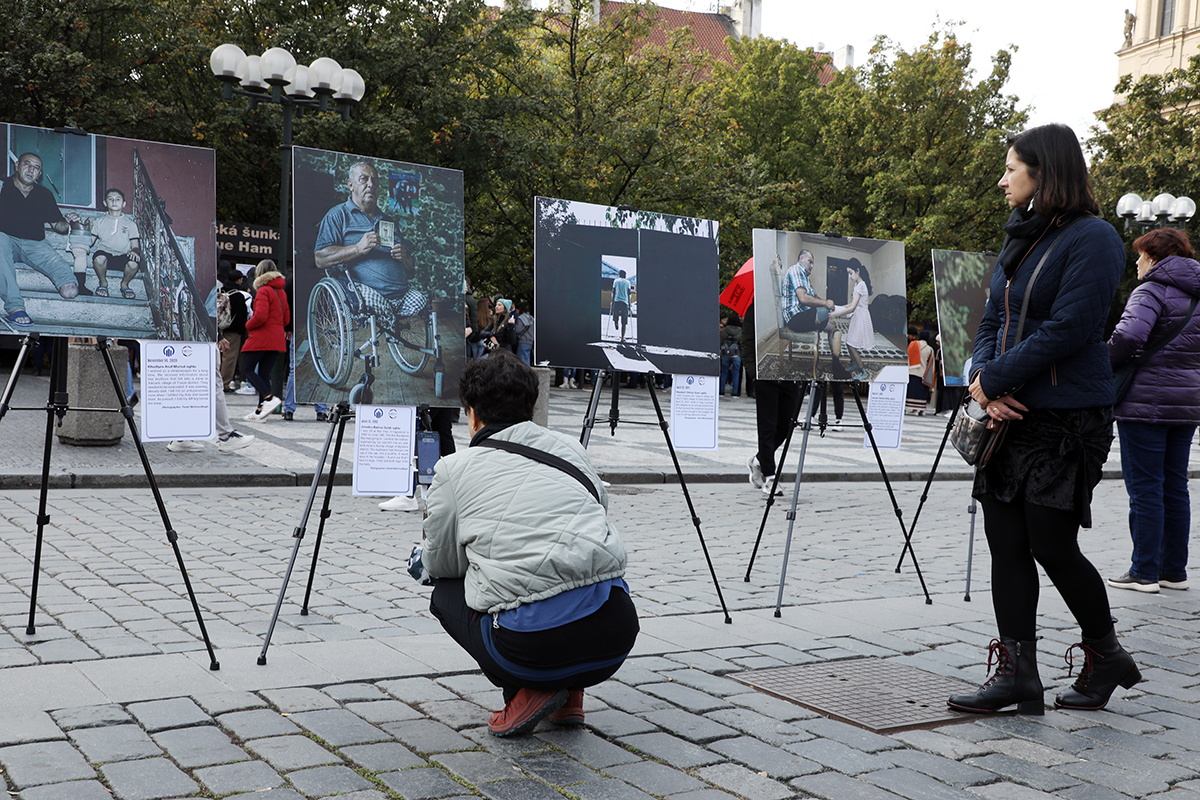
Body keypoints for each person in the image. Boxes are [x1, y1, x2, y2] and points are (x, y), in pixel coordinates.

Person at [948, 123, 1139, 716]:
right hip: (1010, 416)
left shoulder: (1096, 239)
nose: (1001, 179)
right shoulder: (1022, 238)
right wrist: (983, 383)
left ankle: (1105, 652)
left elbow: (1071, 329)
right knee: (1004, 542)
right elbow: (987, 325)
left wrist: (996, 380)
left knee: (1052, 544)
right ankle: (1017, 672)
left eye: (1011, 168)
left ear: (1044, 172)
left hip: (1064, 418)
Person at [421, 353, 638, 736]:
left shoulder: (453, 469)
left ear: (471, 414)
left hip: (530, 649)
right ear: (531, 405)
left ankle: (526, 690)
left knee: (445, 592)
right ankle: (572, 696)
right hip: (614, 634)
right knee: (579, 578)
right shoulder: (571, 448)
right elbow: (599, 513)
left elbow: (442, 564)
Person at [1106, 227, 1200, 593]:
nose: (1137, 262)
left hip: (1144, 402)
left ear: (1155, 258)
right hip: (1187, 403)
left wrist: (1104, 359)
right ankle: (1173, 571)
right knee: (1176, 486)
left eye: (1141, 255)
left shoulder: (1150, 290)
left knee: (1145, 487)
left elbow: (1128, 337)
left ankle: (1144, 570)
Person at [314, 161, 425, 321]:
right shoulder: (338, 215)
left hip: (402, 295)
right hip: (367, 294)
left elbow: (411, 265)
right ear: (350, 185)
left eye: (375, 181)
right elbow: (320, 259)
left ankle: (392, 320)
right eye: (364, 179)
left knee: (421, 301)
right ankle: (388, 320)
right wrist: (358, 248)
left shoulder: (388, 220)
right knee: (378, 307)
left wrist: (405, 257)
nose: (371, 184)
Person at [0, 152, 81, 327]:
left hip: (35, 243)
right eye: (27, 164)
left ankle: (67, 282)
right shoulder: (2, 186)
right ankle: (15, 308)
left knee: (70, 291)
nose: (31, 170)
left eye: (36, 168)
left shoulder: (44, 194)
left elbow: (58, 227)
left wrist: (68, 221)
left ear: (40, 174)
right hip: (5, 240)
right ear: (17, 165)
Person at [167, 337, 256, 454]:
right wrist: (216, 336)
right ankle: (226, 436)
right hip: (202, 340)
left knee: (192, 385)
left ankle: (181, 436)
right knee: (212, 385)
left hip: (189, 339)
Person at [240, 259, 290, 421]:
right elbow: (286, 319)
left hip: (262, 337)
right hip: (276, 339)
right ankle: (261, 411)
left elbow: (260, 316)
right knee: (263, 373)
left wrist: (248, 324)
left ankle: (269, 398)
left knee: (247, 369)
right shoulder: (281, 291)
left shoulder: (263, 291)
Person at [86, 188, 142, 300]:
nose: (114, 202)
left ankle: (125, 284)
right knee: (99, 258)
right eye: (110, 199)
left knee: (134, 263)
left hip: (123, 256)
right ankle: (103, 283)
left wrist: (134, 252)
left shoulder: (130, 224)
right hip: (105, 255)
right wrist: (87, 228)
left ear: (124, 203)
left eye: (118, 199)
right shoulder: (99, 221)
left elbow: (135, 246)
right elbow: (89, 242)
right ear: (105, 203)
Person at [829, 260, 874, 382]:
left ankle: (862, 370)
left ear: (857, 271)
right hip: (857, 315)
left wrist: (837, 314)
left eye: (850, 273)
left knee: (853, 346)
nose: (849, 276)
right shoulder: (857, 285)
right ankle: (854, 364)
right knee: (849, 343)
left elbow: (853, 307)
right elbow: (852, 304)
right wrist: (840, 307)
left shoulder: (861, 285)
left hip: (861, 317)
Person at [220, 271, 250, 392]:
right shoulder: (238, 295)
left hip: (219, 328)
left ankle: (217, 381)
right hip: (232, 331)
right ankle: (224, 384)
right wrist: (241, 331)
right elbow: (241, 316)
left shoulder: (222, 291)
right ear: (238, 280)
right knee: (230, 357)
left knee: (220, 357)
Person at [905, 327, 933, 414]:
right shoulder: (930, 349)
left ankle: (910, 407)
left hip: (911, 371)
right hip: (922, 373)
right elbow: (930, 364)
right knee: (920, 392)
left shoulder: (913, 344)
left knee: (911, 391)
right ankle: (920, 409)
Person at [719, 313, 742, 396]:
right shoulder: (740, 330)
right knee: (736, 373)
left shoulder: (725, 330)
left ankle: (721, 390)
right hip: (736, 354)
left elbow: (721, 341)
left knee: (724, 372)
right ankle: (735, 392)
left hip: (726, 354)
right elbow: (741, 343)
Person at [610, 270, 632, 341]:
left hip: (617, 301)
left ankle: (616, 322)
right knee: (624, 321)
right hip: (624, 302)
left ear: (619, 275)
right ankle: (622, 338)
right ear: (625, 275)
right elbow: (629, 294)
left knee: (615, 314)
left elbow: (613, 291)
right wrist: (629, 303)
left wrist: (612, 301)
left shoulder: (616, 281)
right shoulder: (628, 282)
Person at [512, 301, 535, 366]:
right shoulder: (531, 318)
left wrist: (513, 325)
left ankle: (524, 374)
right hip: (530, 341)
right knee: (527, 358)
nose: (516, 312)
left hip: (522, 341)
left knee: (522, 360)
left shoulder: (521, 318)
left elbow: (518, 330)